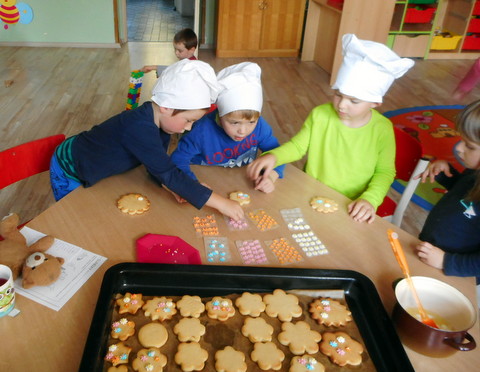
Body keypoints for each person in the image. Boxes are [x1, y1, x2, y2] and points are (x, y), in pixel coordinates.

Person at [246, 34, 414, 223]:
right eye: (338, 95)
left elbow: (384, 172)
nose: (342, 105)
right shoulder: (320, 114)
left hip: (351, 204)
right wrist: (274, 156)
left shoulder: (382, 128)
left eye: (354, 101)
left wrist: (370, 199)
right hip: (311, 192)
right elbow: (298, 147)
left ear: (375, 103)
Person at [50, 59, 244, 221]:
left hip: (95, 164)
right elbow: (167, 171)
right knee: (76, 218)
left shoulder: (162, 123)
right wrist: (221, 203)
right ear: (166, 107)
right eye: (188, 121)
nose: (188, 128)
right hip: (70, 166)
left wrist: (169, 186)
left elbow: (158, 164)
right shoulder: (138, 128)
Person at [171, 62, 285, 193]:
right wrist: (192, 183)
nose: (243, 131)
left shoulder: (260, 126)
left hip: (241, 180)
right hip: (206, 178)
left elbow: (278, 153)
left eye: (251, 122)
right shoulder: (201, 132)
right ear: (220, 116)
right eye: (235, 123)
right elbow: (177, 160)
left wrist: (271, 176)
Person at [415, 100, 480, 283]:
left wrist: (446, 261)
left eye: (469, 146)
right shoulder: (475, 171)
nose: (458, 148)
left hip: (453, 273)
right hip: (431, 251)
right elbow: (466, 194)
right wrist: (447, 175)